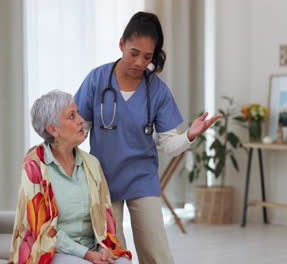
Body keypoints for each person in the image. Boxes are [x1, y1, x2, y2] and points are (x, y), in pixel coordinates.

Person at [74, 11, 222, 264]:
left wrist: (189, 135)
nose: (140, 63)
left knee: (156, 251)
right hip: (103, 178)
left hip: (142, 177)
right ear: (121, 44)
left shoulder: (158, 90)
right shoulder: (97, 79)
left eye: (148, 57)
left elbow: (169, 145)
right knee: (113, 252)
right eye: (134, 53)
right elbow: (79, 129)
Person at [9, 90, 132, 264]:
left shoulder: (92, 164)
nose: (81, 120)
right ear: (53, 129)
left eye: (78, 113)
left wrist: (103, 246)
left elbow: (105, 216)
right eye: (72, 116)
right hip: (52, 249)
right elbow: (41, 229)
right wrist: (85, 254)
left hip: (93, 246)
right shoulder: (35, 166)